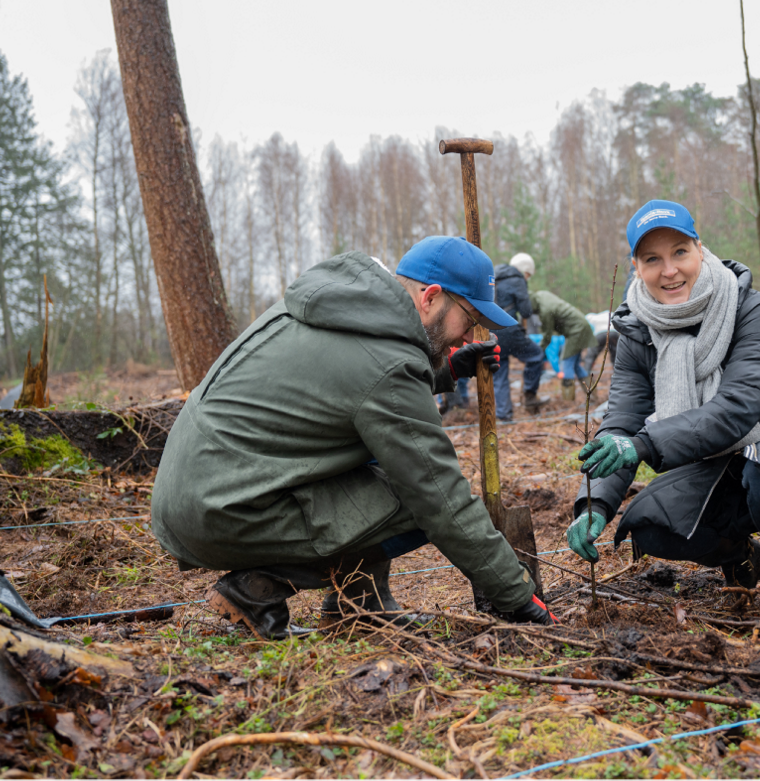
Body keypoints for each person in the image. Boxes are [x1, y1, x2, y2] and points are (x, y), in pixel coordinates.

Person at [152, 236, 556, 639]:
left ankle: (362, 604)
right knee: (420, 498)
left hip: (199, 489)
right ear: (430, 297)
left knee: (386, 461)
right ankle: (258, 587)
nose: (469, 336)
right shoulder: (386, 361)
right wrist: (516, 594)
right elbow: (438, 494)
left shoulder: (345, 307)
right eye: (467, 320)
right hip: (222, 507)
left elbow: (344, 389)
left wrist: (445, 370)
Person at [565, 200, 760, 623]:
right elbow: (621, 422)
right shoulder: (636, 332)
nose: (669, 270)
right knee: (650, 525)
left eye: (679, 252)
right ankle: (746, 557)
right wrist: (594, 505)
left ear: (700, 249)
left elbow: (738, 409)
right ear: (636, 267)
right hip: (711, 468)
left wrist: (642, 445)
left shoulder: (749, 308)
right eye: (652, 259)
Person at [492, 252, 549, 421]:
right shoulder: (517, 280)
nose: (526, 279)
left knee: (499, 371)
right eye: (527, 275)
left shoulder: (493, 277)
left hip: (491, 332)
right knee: (536, 355)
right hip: (509, 330)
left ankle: (504, 415)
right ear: (524, 270)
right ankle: (530, 397)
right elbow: (526, 311)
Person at [531, 290, 596, 392]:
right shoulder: (541, 295)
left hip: (576, 330)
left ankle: (568, 400)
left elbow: (547, 337)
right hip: (579, 327)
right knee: (575, 366)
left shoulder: (545, 310)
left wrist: (537, 351)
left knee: (567, 363)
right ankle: (592, 395)